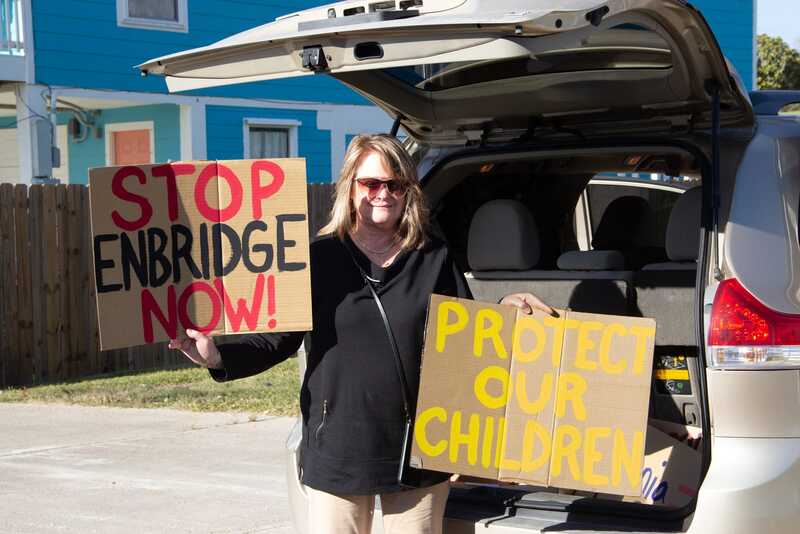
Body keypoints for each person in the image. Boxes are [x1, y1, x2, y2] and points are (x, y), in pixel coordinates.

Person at [170, 134, 552, 534]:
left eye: (395, 184)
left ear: (408, 192)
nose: (382, 194)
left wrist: (504, 311)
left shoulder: (433, 257)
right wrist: (216, 357)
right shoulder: (316, 260)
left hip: (417, 452)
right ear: (350, 188)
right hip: (338, 450)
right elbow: (276, 341)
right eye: (370, 183)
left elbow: (465, 340)